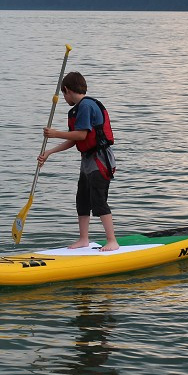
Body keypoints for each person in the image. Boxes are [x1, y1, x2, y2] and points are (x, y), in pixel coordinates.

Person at [37, 71, 119, 251]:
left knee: (98, 200)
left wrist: (55, 133)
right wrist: (50, 152)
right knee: (82, 200)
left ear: (66, 90)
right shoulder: (78, 109)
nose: (65, 99)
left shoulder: (86, 106)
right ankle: (84, 239)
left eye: (64, 94)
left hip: (100, 160)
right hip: (87, 160)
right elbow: (74, 139)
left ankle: (112, 240)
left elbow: (82, 135)